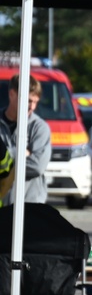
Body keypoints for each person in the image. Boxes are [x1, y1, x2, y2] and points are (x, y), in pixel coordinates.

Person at [0, 74, 51, 205]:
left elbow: (38, 166)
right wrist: (21, 153)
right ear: (12, 94)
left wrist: (6, 160)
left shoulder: (39, 128)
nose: (32, 107)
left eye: (35, 102)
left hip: (30, 206)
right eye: (28, 101)